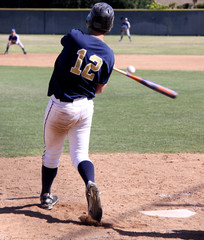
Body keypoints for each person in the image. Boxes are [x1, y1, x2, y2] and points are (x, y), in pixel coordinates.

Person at [40, 2, 114, 223]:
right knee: (80, 155)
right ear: (109, 27)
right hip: (84, 108)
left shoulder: (74, 36)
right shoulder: (109, 56)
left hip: (60, 107)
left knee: (51, 154)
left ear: (90, 20)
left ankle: (46, 195)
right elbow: (99, 89)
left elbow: (69, 48)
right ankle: (90, 183)